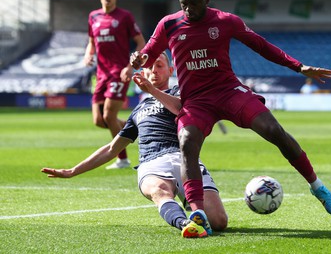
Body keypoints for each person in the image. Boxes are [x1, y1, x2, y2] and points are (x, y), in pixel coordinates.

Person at [130, 0, 331, 234]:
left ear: (207, 0)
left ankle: (318, 187)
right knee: (187, 142)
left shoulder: (225, 21)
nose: (188, 9)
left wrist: (298, 67)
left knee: (274, 130)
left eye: (194, 4)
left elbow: (262, 46)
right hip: (196, 101)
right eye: (184, 4)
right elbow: (148, 53)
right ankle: (197, 212)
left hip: (228, 92)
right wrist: (138, 59)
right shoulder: (169, 24)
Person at [41, 52, 228, 238]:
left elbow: (181, 109)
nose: (154, 70)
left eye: (160, 65)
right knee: (159, 191)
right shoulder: (138, 110)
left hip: (185, 159)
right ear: (143, 73)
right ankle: (184, 223)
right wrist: (73, 171)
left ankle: (190, 202)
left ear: (171, 70)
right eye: (149, 67)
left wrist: (153, 91)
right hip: (152, 162)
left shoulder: (182, 93)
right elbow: (111, 148)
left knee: (219, 221)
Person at [84, 0, 146, 170]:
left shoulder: (125, 17)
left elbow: (141, 43)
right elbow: (92, 41)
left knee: (110, 116)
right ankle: (139, 129)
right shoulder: (93, 17)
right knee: (99, 120)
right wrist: (88, 54)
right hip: (100, 74)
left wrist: (130, 66)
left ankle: (123, 159)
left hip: (118, 73)